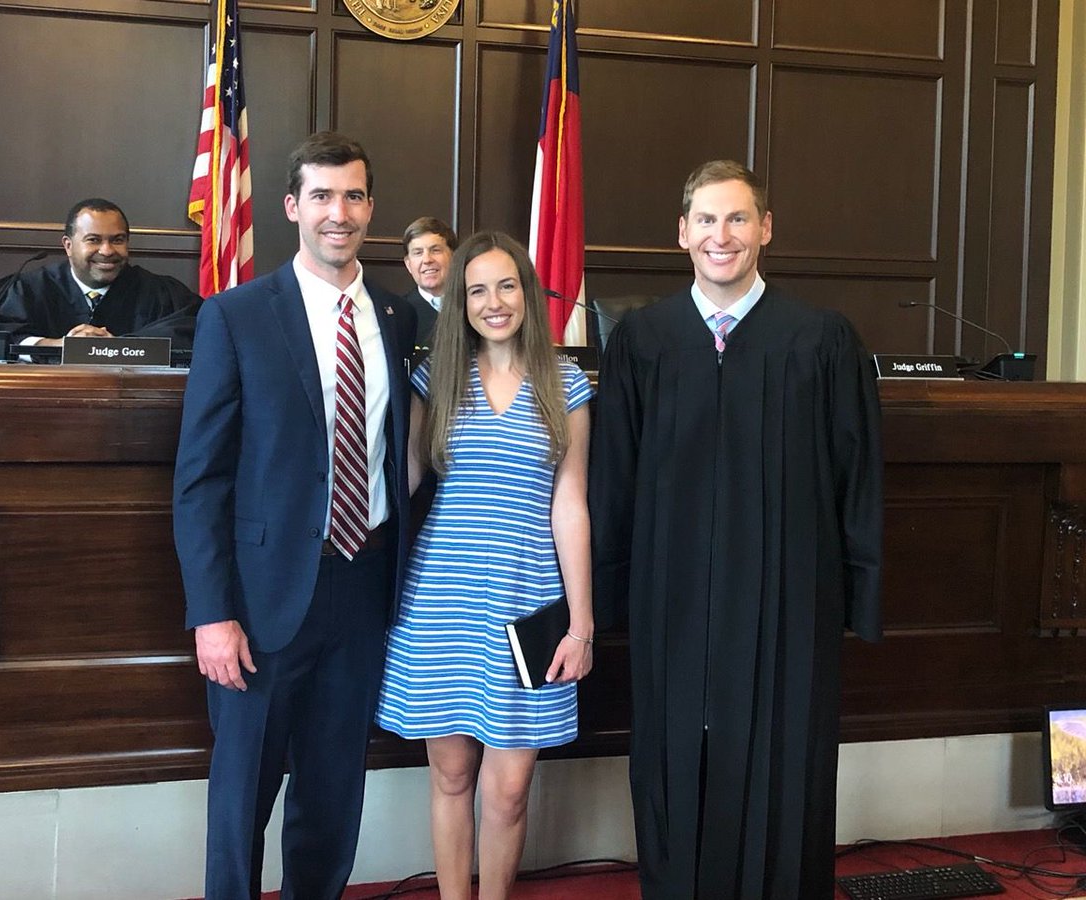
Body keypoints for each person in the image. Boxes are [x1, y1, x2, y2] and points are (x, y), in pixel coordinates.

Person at [589, 160, 883, 899]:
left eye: (739, 219)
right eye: (708, 220)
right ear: (682, 232)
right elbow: (612, 479)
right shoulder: (642, 341)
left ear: (767, 229)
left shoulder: (820, 342)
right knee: (672, 748)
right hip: (672, 591)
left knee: (788, 749)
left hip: (791, 594)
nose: (723, 236)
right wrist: (607, 597)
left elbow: (858, 473)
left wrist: (859, 593)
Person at [172, 132, 417, 900]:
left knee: (332, 791)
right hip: (261, 596)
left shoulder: (400, 317)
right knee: (244, 794)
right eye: (321, 196)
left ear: (371, 209)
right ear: (290, 207)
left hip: (365, 584)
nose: (337, 213)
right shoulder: (237, 315)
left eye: (352, 196)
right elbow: (200, 479)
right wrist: (212, 614)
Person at [376, 230, 593, 900]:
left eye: (506, 286)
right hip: (440, 602)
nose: (493, 302)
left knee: (508, 791)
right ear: (458, 300)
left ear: (527, 292)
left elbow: (572, 506)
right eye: (476, 290)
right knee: (449, 778)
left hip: (526, 606)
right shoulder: (434, 377)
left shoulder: (568, 382)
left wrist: (581, 625)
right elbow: (402, 477)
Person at [0, 198, 200, 357]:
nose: (107, 251)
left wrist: (117, 348)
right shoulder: (29, 289)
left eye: (117, 240)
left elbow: (199, 330)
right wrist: (53, 345)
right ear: (68, 245)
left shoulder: (159, 292)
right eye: (93, 240)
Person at [400, 216, 457, 346]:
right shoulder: (400, 314)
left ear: (454, 257)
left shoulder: (473, 306)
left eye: (435, 250)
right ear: (408, 264)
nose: (427, 260)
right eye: (418, 253)